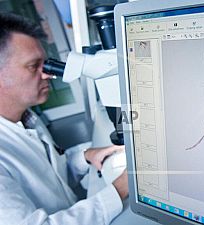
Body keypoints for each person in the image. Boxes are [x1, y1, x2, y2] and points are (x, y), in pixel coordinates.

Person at [0, 13, 128, 225]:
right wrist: (120, 188)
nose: (48, 74)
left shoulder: (26, 118)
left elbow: (48, 172)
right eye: (34, 66)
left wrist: (85, 156)